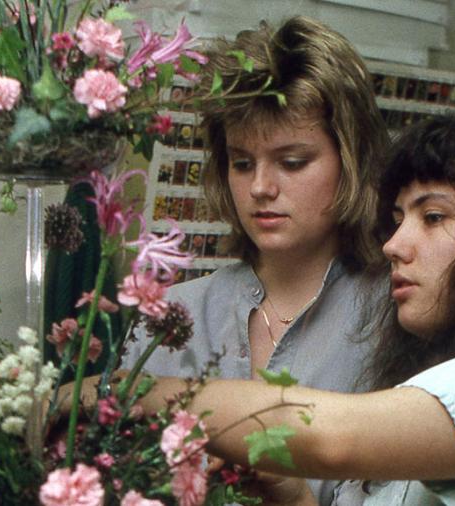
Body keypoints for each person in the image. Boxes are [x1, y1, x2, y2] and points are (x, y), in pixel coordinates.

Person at [123, 109, 455, 504]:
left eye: (432, 217)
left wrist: (123, 393)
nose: (394, 245)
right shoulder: (430, 394)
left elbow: (333, 441)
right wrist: (291, 495)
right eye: (398, 219)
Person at [120, 15, 390, 504]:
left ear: (352, 161)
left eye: (292, 162)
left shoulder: (395, 317)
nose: (261, 188)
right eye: (242, 163)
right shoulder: (170, 313)